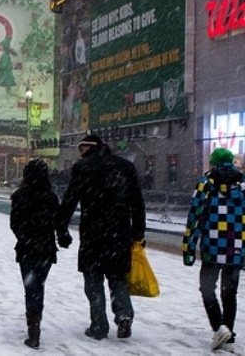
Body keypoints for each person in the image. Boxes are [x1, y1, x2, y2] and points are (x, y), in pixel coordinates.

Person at [58, 135, 146, 341]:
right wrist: (138, 230)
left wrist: (61, 229)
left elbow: (70, 199)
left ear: (91, 147)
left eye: (83, 148)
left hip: (92, 233)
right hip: (119, 232)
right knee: (117, 277)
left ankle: (99, 325)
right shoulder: (125, 166)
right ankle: (124, 316)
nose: (80, 152)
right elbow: (137, 200)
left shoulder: (83, 167)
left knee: (93, 279)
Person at [182, 148, 245, 352]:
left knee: (207, 287)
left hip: (213, 244)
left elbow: (195, 215)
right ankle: (229, 335)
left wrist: (189, 247)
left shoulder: (206, 183)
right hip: (237, 244)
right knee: (230, 292)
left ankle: (219, 327)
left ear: (213, 162)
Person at [10, 159, 63, 349]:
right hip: (46, 249)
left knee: (31, 288)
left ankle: (33, 328)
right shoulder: (51, 197)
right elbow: (58, 222)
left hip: (27, 249)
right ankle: (35, 320)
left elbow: (14, 223)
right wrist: (62, 236)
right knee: (38, 286)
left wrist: (25, 238)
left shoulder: (20, 196)